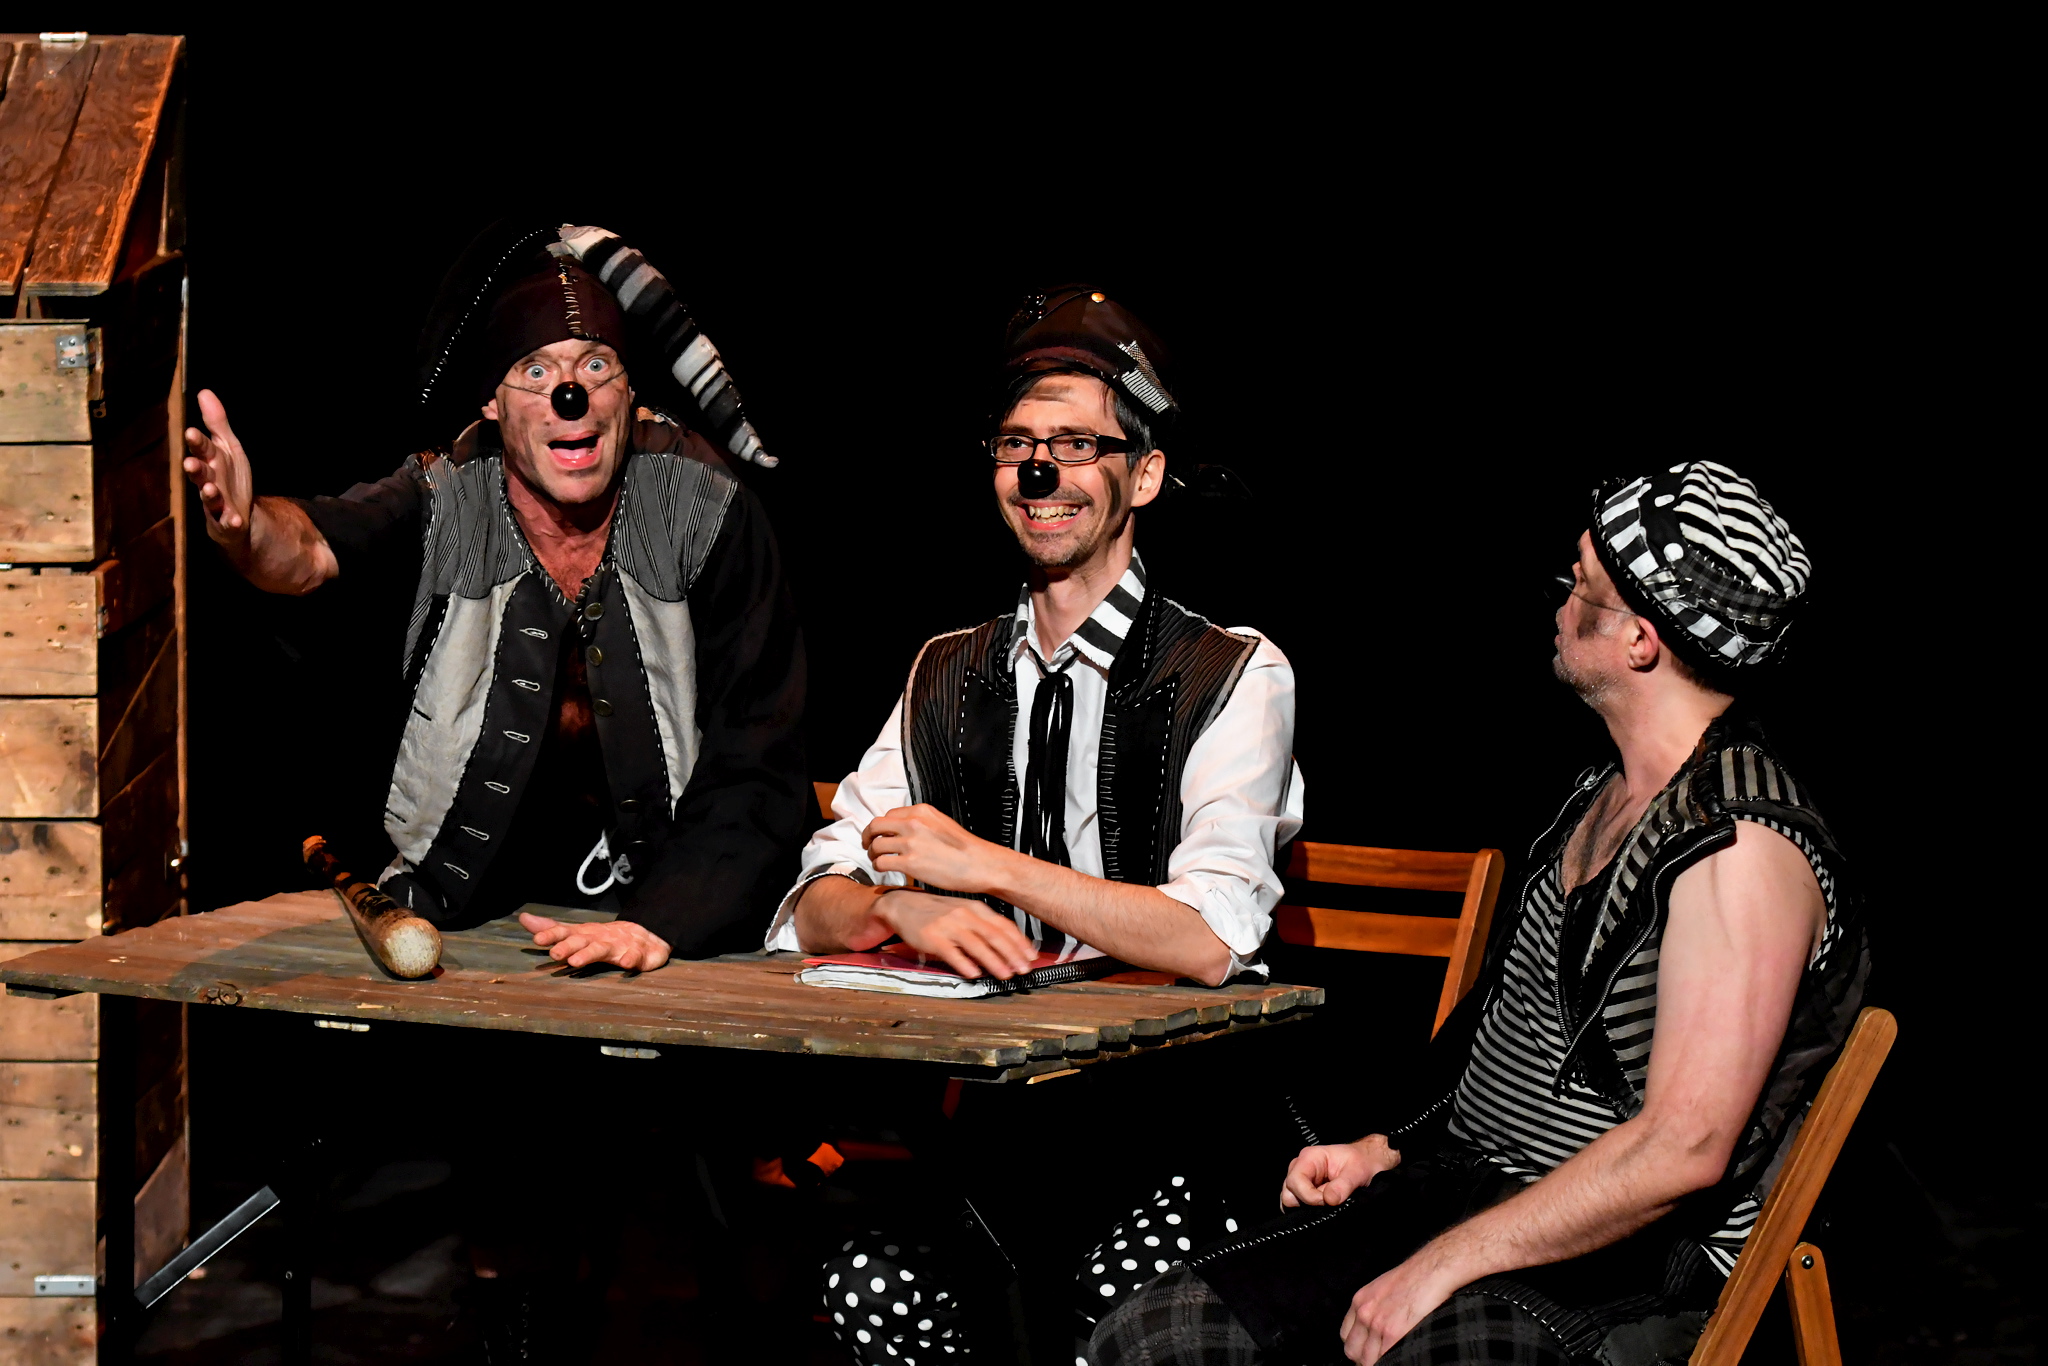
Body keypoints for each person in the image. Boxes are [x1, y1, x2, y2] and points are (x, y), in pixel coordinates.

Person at [1092, 463, 1870, 1366]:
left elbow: (1683, 1149)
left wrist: (1442, 1264)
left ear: (1641, 640)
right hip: (1470, 1194)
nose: (1561, 601)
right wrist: (1386, 1148)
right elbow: (1514, 1035)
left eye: (1582, 585)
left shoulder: (1738, 848)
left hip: (1620, 1259)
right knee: (1151, 1338)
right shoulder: (1603, 797)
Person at [764, 286, 1304, 1364]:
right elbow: (810, 903)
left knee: (1113, 1312)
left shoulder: (1234, 672)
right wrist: (894, 910)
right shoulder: (946, 671)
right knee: (867, 1286)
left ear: (1142, 475)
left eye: (1076, 445)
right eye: (1018, 445)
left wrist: (985, 868)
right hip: (999, 1142)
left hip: (1175, 1138)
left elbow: (1210, 935)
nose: (1040, 472)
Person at [181, 222, 808, 968]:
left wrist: (663, 922)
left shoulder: (705, 511)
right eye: (535, 372)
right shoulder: (448, 494)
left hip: (677, 912)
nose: (570, 396)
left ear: (630, 391)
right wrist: (247, 529)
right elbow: (313, 551)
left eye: (596, 366)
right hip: (469, 912)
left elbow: (757, 753)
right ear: (491, 404)